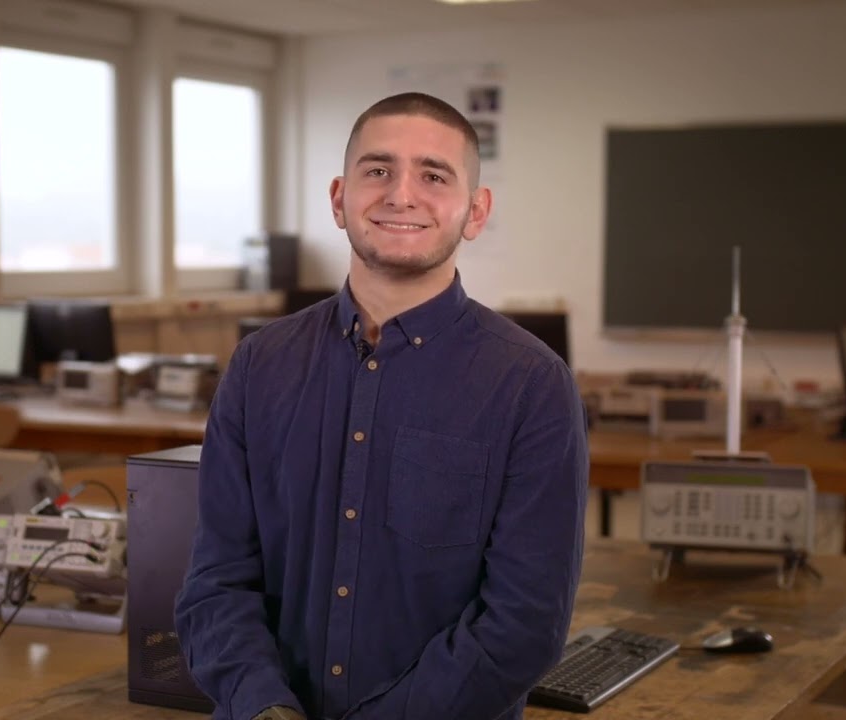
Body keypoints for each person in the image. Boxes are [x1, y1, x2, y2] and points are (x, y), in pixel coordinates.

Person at [175, 92, 587, 720]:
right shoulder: (259, 366)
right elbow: (216, 580)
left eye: (433, 175)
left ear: (475, 212)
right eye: (378, 170)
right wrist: (263, 707)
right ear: (339, 198)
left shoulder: (532, 386)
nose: (401, 194)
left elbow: (523, 624)